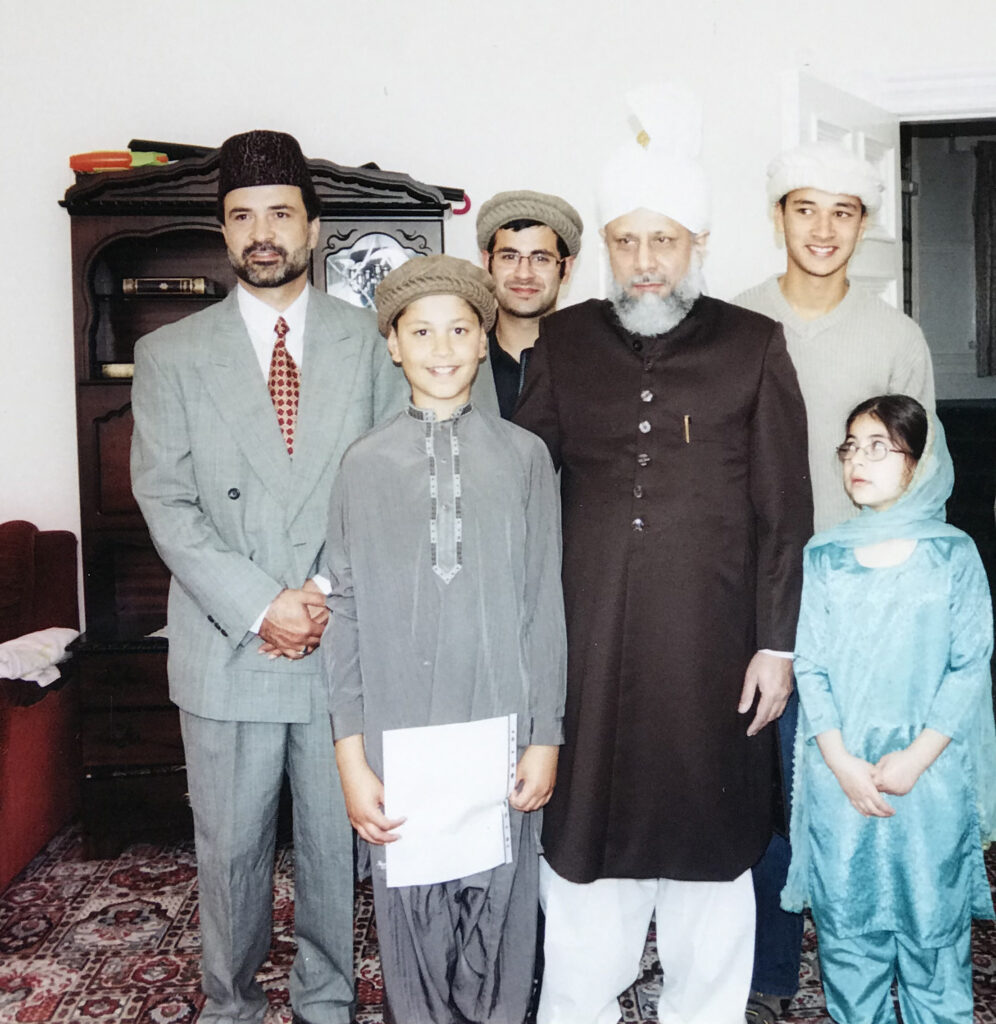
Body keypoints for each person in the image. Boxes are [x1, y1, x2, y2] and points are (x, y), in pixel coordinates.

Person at [514, 85, 813, 1024]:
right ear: (609, 247)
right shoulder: (563, 343)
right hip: (588, 651)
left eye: (665, 241)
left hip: (713, 656)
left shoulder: (754, 344)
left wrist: (779, 645)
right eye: (628, 242)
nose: (645, 264)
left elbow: (785, 512)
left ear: (698, 246)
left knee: (711, 854)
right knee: (584, 851)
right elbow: (521, 487)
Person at [130, 130, 405, 1024]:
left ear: (314, 228)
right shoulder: (173, 355)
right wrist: (259, 604)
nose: (261, 233)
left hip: (336, 639)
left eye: (279, 215)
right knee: (232, 848)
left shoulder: (372, 345)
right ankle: (232, 1003)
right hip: (227, 644)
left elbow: (391, 483)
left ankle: (326, 1002)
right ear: (223, 232)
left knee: (337, 847)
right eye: (242, 216)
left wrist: (318, 597)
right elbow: (168, 502)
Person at [324, 254, 567, 1024]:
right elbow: (348, 614)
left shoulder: (526, 459)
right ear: (392, 343)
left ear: (484, 333)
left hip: (501, 729)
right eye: (420, 330)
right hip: (403, 740)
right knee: (414, 923)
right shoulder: (362, 466)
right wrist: (351, 757)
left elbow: (543, 603)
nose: (441, 347)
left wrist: (546, 736)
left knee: (499, 921)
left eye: (460, 328)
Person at [734, 141, 936, 1023]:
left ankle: (873, 961)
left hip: (861, 605)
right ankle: (771, 974)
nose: (822, 229)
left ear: (864, 225)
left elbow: (928, 478)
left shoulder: (896, 336)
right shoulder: (734, 319)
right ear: (777, 216)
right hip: (755, 602)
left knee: (852, 784)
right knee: (767, 794)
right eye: (804, 208)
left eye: (843, 212)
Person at [784, 394, 996, 1024]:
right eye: (851, 445)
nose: (859, 460)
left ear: (921, 460)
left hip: (926, 781)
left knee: (935, 947)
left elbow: (969, 665)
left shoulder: (952, 553)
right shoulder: (824, 554)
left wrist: (916, 758)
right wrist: (843, 762)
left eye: (880, 446)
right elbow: (811, 665)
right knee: (850, 945)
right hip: (840, 776)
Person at [476, 190, 583, 419]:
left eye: (541, 258)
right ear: (487, 263)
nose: (524, 274)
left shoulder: (592, 360)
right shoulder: (460, 357)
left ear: (566, 269)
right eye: (509, 257)